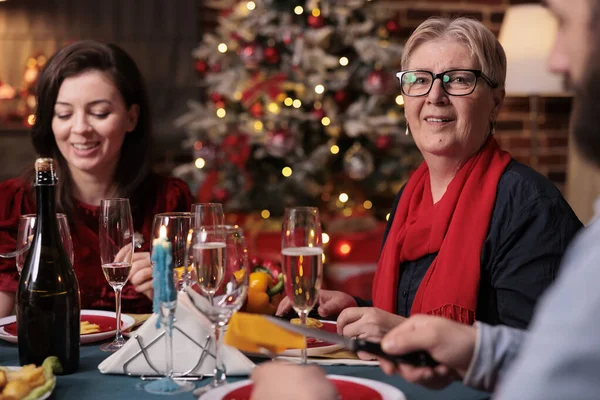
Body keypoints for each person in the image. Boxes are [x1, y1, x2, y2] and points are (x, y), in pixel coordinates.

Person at [252, 0, 600, 399]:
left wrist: (399, 332)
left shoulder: (529, 204)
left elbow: (538, 362)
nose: (435, 95)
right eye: (419, 79)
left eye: (457, 79)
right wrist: (356, 305)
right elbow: (413, 309)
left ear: (496, 102)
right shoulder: (410, 196)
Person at [0, 40, 194, 316]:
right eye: (64, 114)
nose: (80, 129)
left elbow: (204, 318)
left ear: (131, 118)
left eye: (99, 113)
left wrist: (168, 293)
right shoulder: (16, 204)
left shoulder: (169, 201)